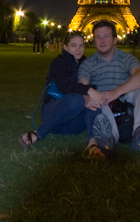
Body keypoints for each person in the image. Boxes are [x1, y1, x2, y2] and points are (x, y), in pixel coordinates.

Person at [19, 31, 108, 160]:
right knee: (77, 99)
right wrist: (87, 91)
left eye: (81, 45)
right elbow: (65, 87)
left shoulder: (87, 64)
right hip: (53, 115)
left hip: (74, 126)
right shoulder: (58, 63)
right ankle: (39, 133)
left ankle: (92, 143)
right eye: (74, 45)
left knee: (94, 101)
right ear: (65, 47)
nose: (78, 49)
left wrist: (93, 94)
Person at [77, 20, 140, 154]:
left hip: (125, 100)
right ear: (94, 41)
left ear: (115, 40)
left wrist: (116, 92)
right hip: (104, 103)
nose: (102, 41)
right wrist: (88, 99)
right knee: (94, 98)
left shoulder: (126, 58)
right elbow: (82, 86)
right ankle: (109, 138)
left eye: (106, 36)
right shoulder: (87, 64)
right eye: (98, 37)